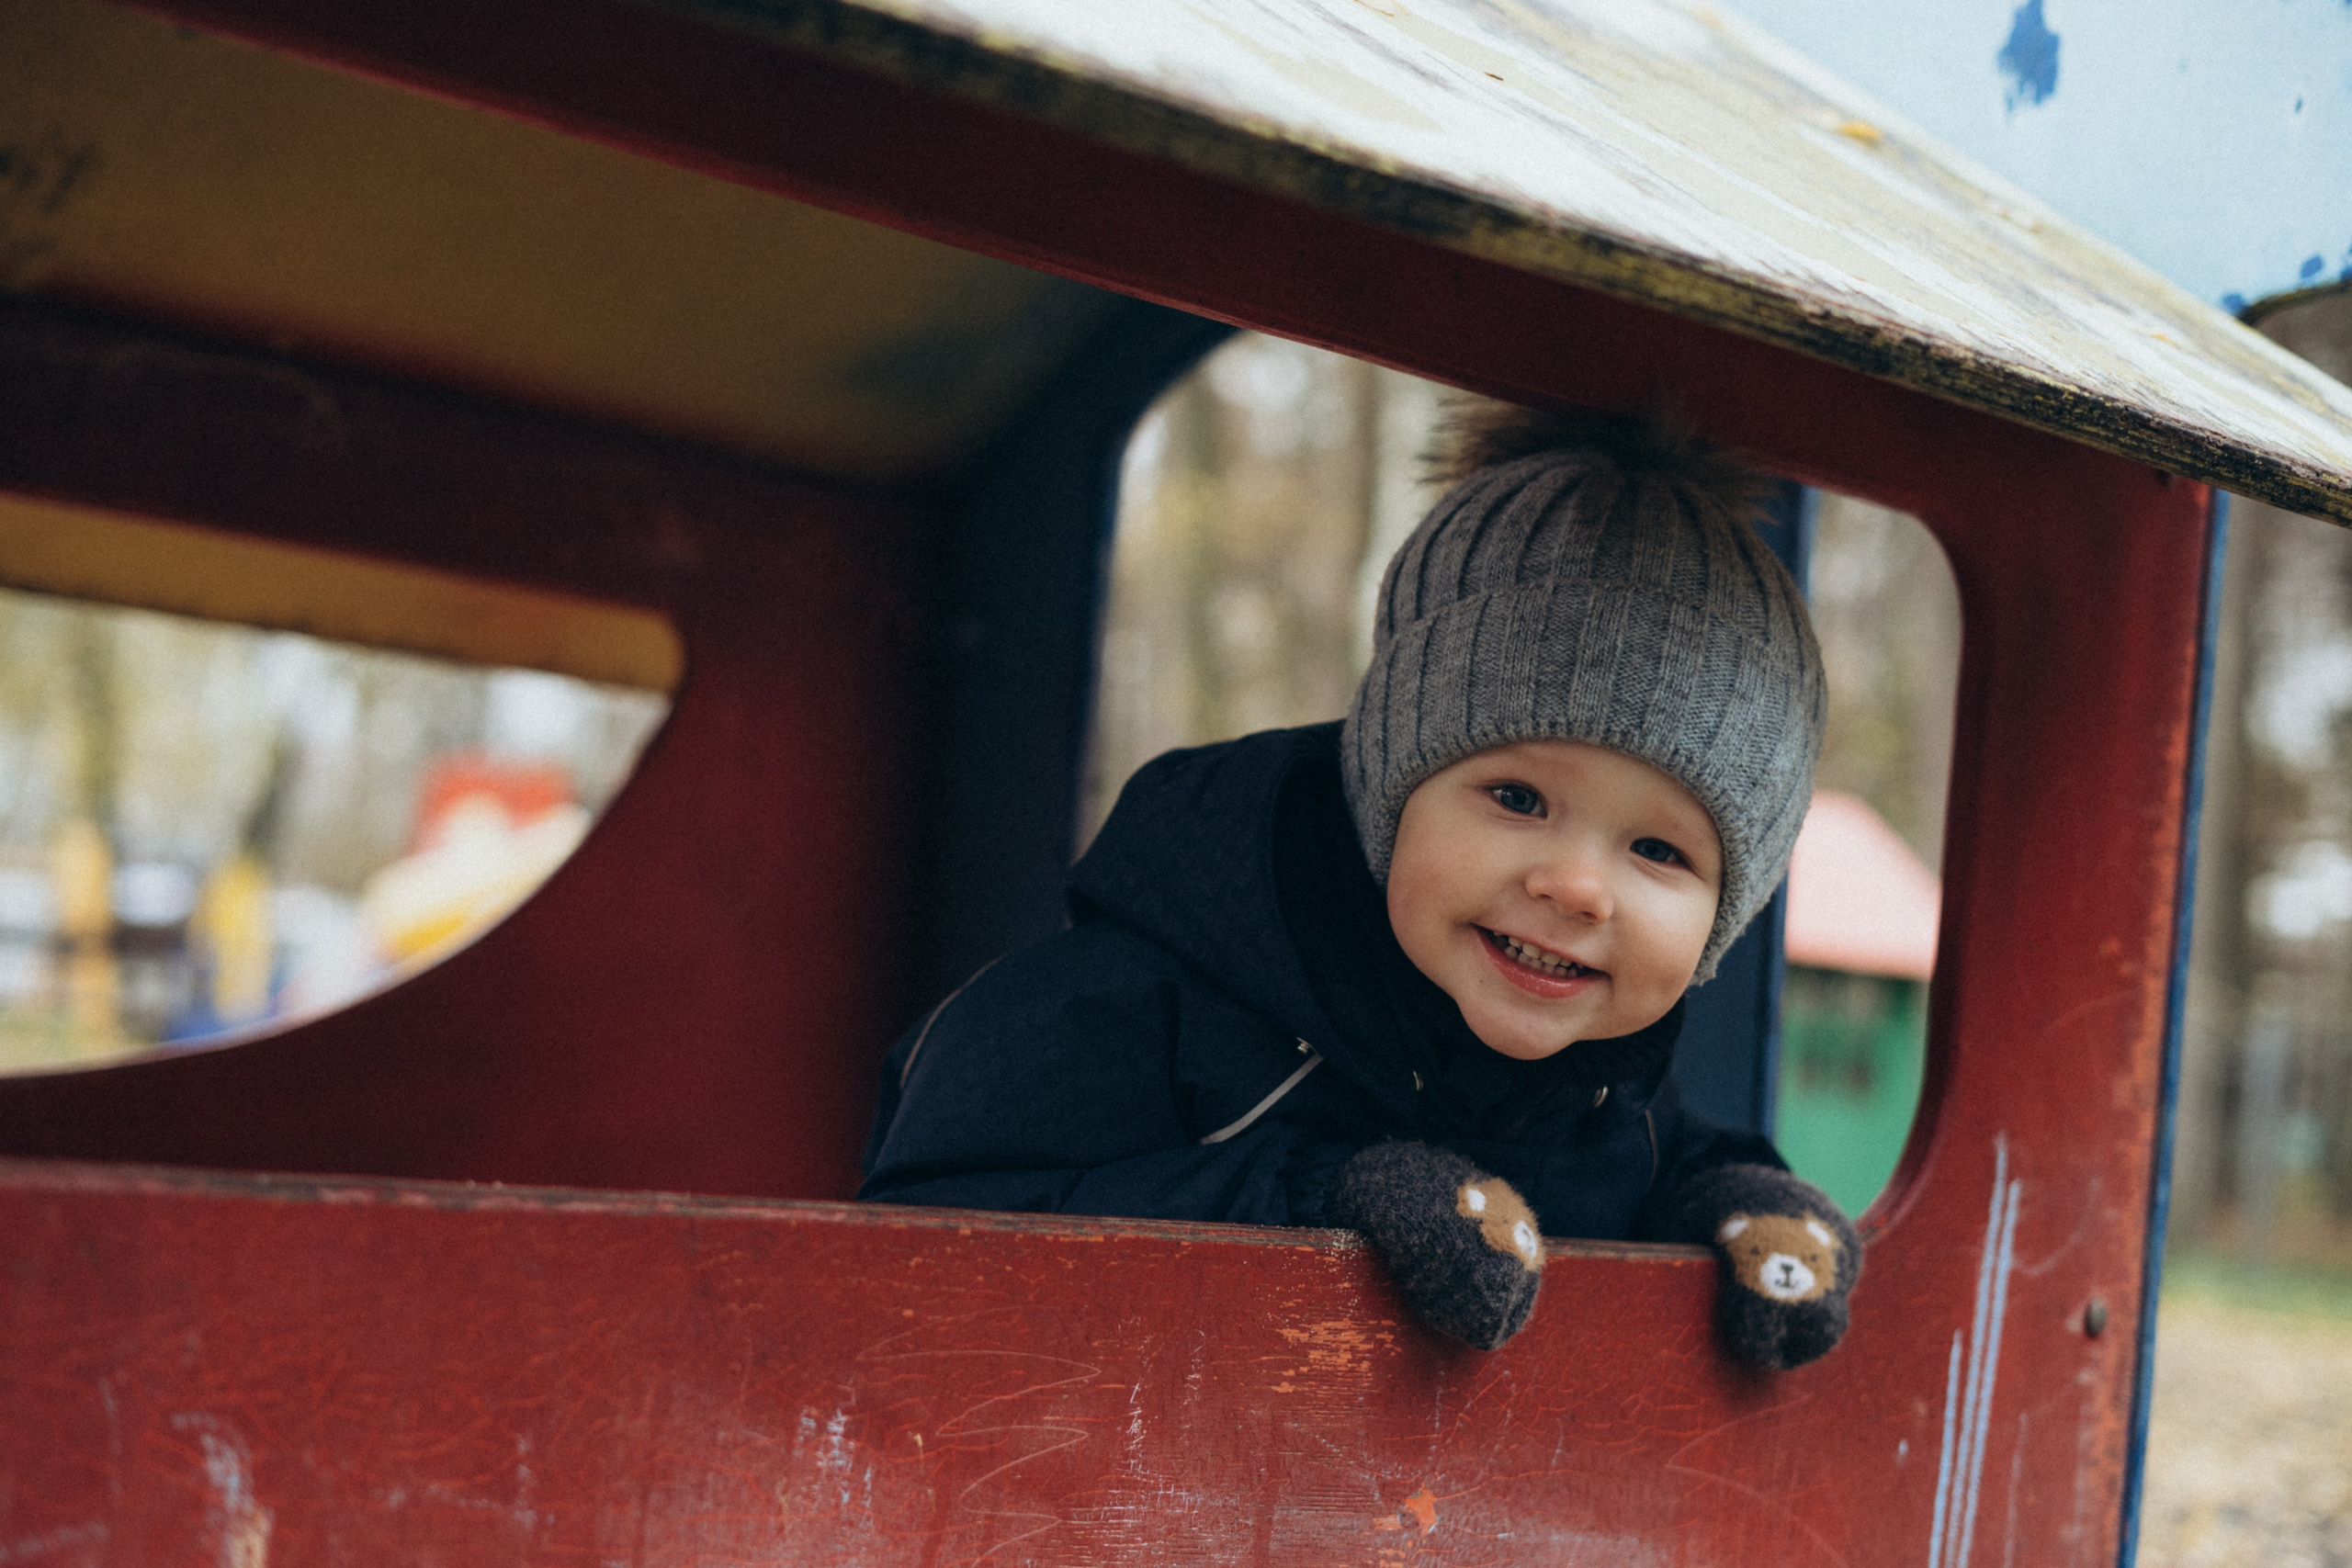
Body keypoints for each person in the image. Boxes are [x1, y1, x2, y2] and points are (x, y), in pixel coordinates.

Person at [860, 403, 1860, 1367]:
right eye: (1516, 796)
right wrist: (1319, 1200)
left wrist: (1727, 1200)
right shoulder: (1131, 1002)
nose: (1575, 887)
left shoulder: (1602, 1083)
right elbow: (928, 1228)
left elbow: (1648, 1164)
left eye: (1659, 853)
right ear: (1391, 783)